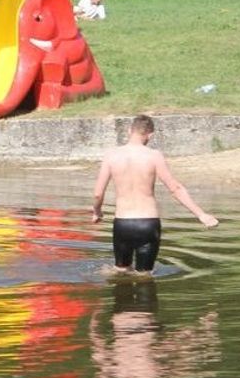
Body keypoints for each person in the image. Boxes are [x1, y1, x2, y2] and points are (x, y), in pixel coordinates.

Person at [92, 114, 218, 273]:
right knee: (144, 275)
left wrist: (97, 212)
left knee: (120, 271)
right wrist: (201, 215)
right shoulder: (154, 155)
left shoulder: (112, 155)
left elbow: (98, 193)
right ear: (150, 135)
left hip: (123, 223)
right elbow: (175, 188)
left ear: (129, 130)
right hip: (148, 223)